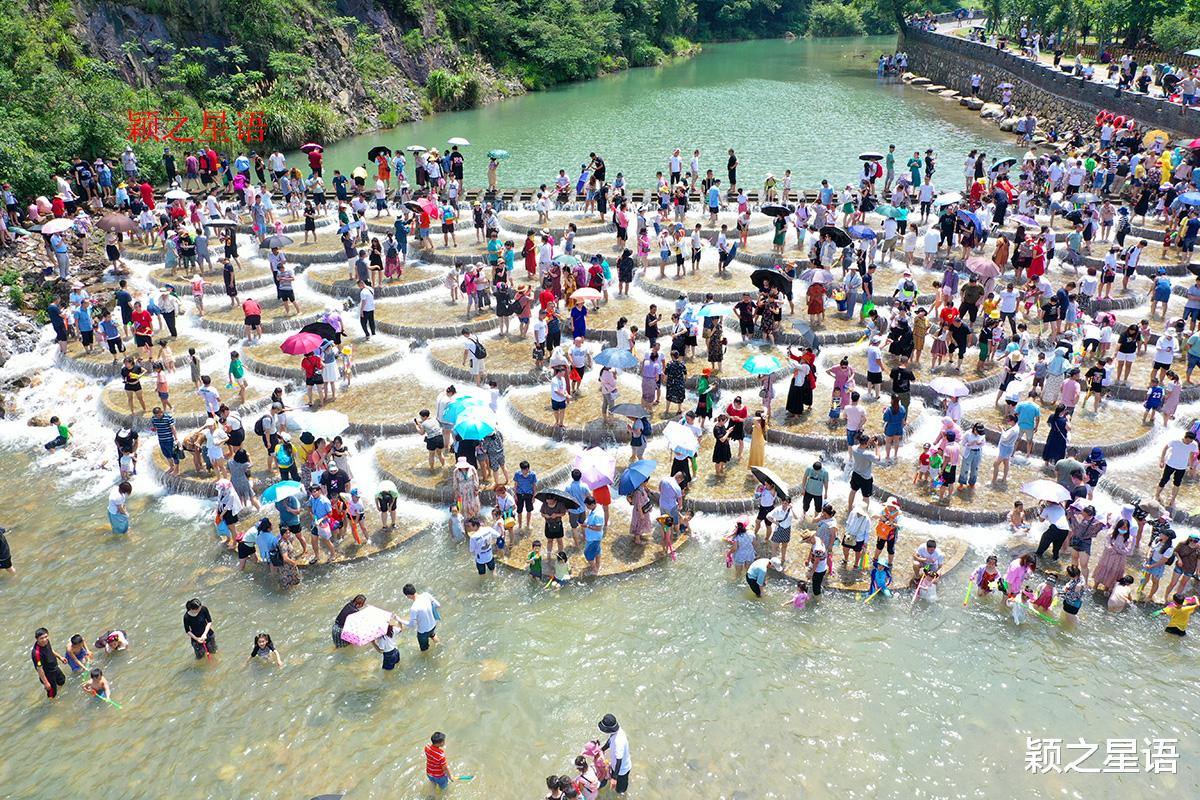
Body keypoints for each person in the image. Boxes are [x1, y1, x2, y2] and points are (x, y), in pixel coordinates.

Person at [402, 583, 441, 652]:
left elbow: (411, 625)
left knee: (424, 650)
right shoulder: (426, 595)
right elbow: (438, 605)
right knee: (432, 634)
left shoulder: (414, 608)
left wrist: (400, 620)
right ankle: (440, 645)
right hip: (433, 625)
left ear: (408, 596)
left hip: (423, 632)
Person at [598, 714, 631, 794]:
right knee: (615, 785)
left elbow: (619, 760)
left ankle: (622, 794)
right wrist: (602, 749)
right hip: (616, 766)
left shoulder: (618, 741)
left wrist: (614, 778)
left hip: (622, 770)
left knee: (620, 790)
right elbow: (610, 741)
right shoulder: (615, 732)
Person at [31, 628, 68, 699]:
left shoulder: (46, 642)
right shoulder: (37, 653)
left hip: (55, 668)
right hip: (48, 675)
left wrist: (60, 657)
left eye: (46, 637)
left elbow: (51, 650)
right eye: (41, 638)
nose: (44, 639)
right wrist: (46, 683)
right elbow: (39, 669)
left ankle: (58, 692)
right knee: (52, 694)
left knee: (62, 681)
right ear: (37, 639)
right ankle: (52, 704)